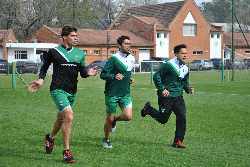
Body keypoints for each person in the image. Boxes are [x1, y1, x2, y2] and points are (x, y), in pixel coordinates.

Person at [28, 25, 97, 163]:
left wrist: (89, 73)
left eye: (77, 36)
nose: (76, 38)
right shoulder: (54, 51)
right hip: (57, 89)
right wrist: (41, 79)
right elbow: (45, 66)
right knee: (69, 116)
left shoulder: (80, 53)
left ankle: (50, 138)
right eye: (73, 35)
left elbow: (82, 74)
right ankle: (66, 151)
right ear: (64, 37)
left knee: (61, 118)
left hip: (72, 91)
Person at [141, 44, 193, 148]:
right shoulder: (168, 65)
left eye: (186, 53)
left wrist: (188, 89)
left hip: (178, 97)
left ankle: (178, 141)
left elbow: (184, 81)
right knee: (163, 119)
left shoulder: (186, 68)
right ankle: (148, 109)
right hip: (166, 97)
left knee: (182, 117)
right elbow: (156, 76)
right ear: (176, 54)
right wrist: (162, 89)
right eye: (182, 53)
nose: (185, 55)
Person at [100, 35, 135, 149]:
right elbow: (103, 74)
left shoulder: (132, 58)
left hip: (125, 93)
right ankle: (106, 139)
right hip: (112, 93)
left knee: (128, 116)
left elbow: (127, 72)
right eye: (126, 43)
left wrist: (129, 79)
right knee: (109, 118)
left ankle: (115, 120)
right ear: (119, 45)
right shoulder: (113, 59)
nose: (128, 45)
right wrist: (114, 76)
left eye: (129, 43)